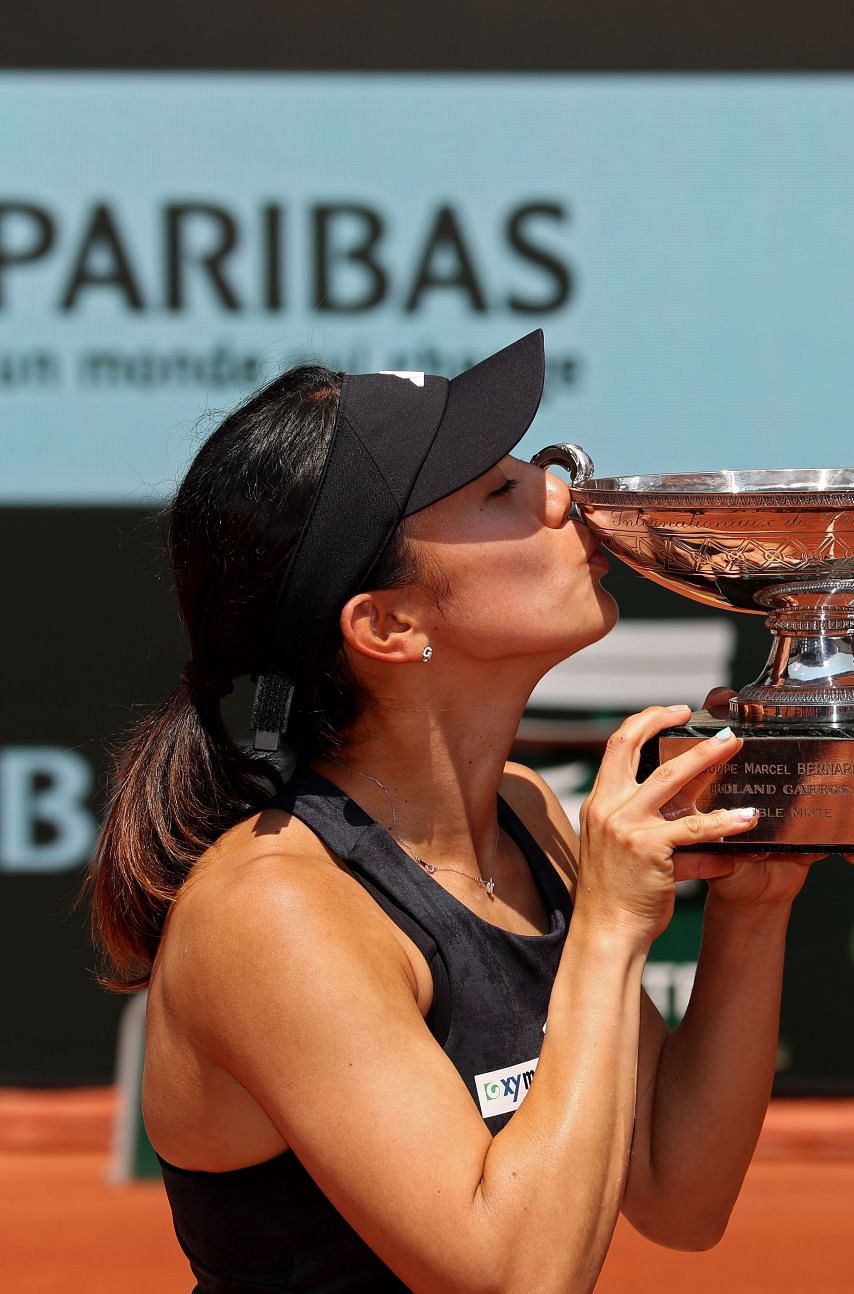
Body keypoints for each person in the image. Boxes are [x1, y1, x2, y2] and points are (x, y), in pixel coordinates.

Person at [89, 331, 809, 1291]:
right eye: (501, 492)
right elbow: (512, 1280)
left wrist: (754, 911)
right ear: (388, 624)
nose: (566, 492)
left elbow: (680, 1195)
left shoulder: (522, 813)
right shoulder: (273, 910)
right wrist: (605, 929)